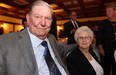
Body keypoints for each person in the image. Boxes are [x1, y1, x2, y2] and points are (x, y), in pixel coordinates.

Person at [0, 0, 75, 75]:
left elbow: (61, 50)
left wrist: (79, 43)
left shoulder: (51, 38)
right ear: (28, 19)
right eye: (37, 17)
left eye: (48, 18)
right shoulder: (4, 43)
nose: (43, 23)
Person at [96, 2, 116, 75]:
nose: (107, 13)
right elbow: (99, 37)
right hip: (106, 51)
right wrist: (100, 48)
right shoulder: (103, 23)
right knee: (105, 69)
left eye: (109, 11)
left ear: (115, 11)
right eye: (106, 11)